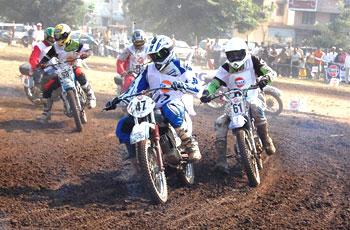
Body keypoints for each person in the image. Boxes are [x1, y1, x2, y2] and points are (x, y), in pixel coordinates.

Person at [106, 35, 202, 182]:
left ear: (168, 51)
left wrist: (183, 85)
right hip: (153, 105)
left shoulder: (181, 66)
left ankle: (190, 144)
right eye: (153, 55)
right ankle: (134, 165)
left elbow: (197, 87)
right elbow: (135, 88)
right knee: (123, 125)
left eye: (160, 54)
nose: (156, 58)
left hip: (175, 101)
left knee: (169, 109)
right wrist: (118, 99)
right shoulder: (148, 69)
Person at [200, 37, 276, 174]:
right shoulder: (225, 68)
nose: (235, 57)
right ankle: (222, 161)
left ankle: (265, 140)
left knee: (256, 107)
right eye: (231, 54)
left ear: (244, 52)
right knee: (220, 123)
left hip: (253, 95)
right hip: (233, 100)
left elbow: (270, 72)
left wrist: (266, 78)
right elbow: (215, 83)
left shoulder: (253, 60)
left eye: (238, 53)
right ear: (227, 55)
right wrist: (207, 92)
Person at [37, 23, 96, 123]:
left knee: (80, 73)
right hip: (61, 71)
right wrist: (42, 63)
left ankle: (91, 96)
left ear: (66, 35)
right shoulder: (55, 47)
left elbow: (88, 50)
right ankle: (46, 113)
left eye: (60, 36)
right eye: (56, 36)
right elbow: (46, 58)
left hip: (73, 66)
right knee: (48, 88)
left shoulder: (74, 44)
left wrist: (86, 54)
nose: (58, 39)